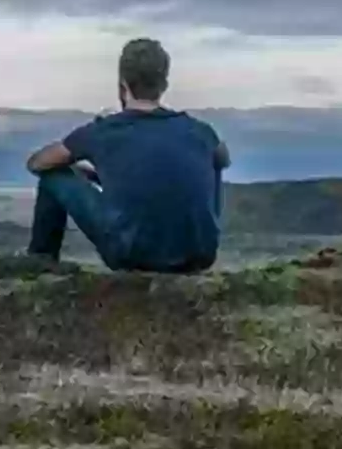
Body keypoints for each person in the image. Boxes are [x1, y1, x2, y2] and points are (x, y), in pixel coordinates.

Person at [24, 38, 231, 273]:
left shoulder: (103, 132)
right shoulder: (200, 131)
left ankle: (41, 262)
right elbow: (223, 159)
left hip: (131, 254)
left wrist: (82, 156)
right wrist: (104, 175)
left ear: (123, 84)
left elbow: (37, 164)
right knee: (215, 160)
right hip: (200, 254)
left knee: (53, 176)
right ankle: (195, 236)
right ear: (164, 84)